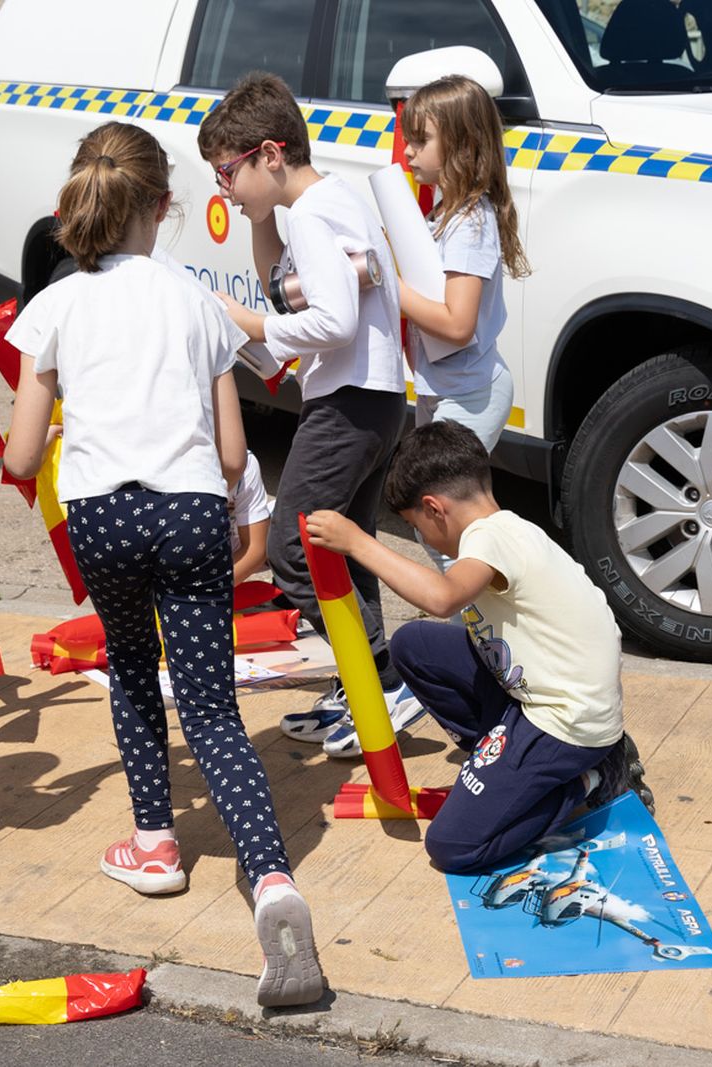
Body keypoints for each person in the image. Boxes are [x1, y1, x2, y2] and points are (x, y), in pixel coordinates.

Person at [3, 121, 323, 1008]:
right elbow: (230, 452)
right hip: (189, 511)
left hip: (104, 512)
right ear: (163, 206)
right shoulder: (193, 301)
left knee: (133, 676)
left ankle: (154, 844)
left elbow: (26, 458)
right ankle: (269, 878)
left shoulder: (57, 306)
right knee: (213, 706)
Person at [304, 421, 652, 874]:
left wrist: (357, 543)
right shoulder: (508, 528)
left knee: (453, 846)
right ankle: (509, 772)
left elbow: (442, 597)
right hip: (548, 699)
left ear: (434, 508)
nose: (422, 539)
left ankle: (591, 778)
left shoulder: (490, 538)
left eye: (415, 528)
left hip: (566, 721)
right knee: (413, 644)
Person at [196, 72, 412, 758]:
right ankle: (365, 682)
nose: (223, 188)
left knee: (295, 551)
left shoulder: (316, 216)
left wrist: (248, 325)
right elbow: (288, 289)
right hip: (372, 400)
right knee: (348, 546)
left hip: (348, 402)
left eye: (228, 171)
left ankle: (381, 678)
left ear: (269, 154)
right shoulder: (326, 203)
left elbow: (332, 319)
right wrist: (262, 226)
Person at [318, 73, 532, 761]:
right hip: (451, 395)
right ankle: (482, 660)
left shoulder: (468, 225)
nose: (408, 150)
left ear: (461, 144)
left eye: (421, 139)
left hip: (469, 396)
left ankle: (481, 664)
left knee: (449, 541)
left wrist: (386, 279)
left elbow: (457, 322)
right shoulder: (448, 214)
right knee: (444, 539)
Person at [229, 449, 272, 585]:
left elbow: (255, 548)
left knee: (293, 518)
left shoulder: (243, 461)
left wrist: (208, 590)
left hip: (229, 549)